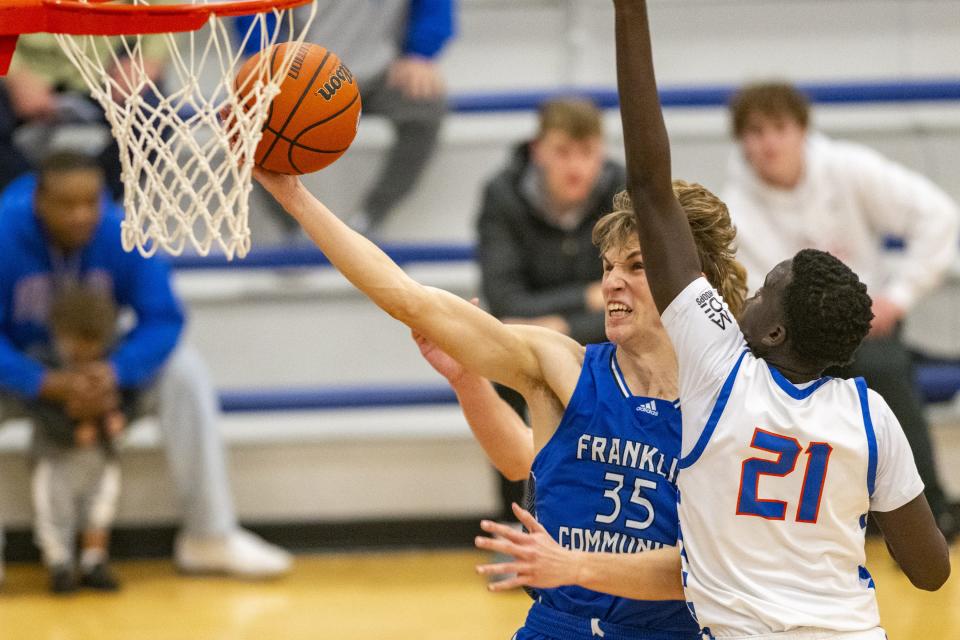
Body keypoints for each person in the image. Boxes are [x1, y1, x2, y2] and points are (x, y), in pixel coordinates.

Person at [475, 2, 951, 638]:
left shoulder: (721, 372)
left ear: (774, 332)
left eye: (762, 294)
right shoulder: (870, 418)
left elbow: (649, 184)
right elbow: (930, 573)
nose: (743, 299)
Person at [253, 155, 747, 638]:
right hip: (559, 628)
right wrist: (294, 196)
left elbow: (705, 568)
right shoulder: (563, 366)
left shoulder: (730, 398)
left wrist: (576, 566)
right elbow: (408, 298)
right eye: (607, 265)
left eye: (636, 266)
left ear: (688, 282)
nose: (611, 280)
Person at [0, 151, 292, 585]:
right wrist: (42, 381)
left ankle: (208, 535)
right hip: (24, 376)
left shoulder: (118, 229)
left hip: (103, 377)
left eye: (91, 202)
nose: (82, 214)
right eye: (67, 203)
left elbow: (164, 317)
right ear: (38, 200)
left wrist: (116, 372)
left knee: (185, 372)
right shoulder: (5, 233)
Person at [723, 80, 960, 541]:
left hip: (862, 330)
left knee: (887, 369)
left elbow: (939, 216)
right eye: (755, 131)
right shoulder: (735, 207)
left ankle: (926, 513)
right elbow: (745, 298)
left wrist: (901, 295)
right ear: (741, 141)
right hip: (783, 347)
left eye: (779, 127)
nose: (769, 143)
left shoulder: (848, 168)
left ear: (801, 129)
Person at [477, 97, 625, 522]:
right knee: (500, 360)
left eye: (587, 152)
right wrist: (584, 298)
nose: (576, 166)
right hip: (533, 335)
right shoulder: (502, 194)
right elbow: (505, 302)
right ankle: (515, 521)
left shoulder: (623, 191)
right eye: (563, 152)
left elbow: (637, 297)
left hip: (605, 333)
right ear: (538, 149)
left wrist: (557, 323)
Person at [282, 0, 454, 237]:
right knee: (254, 119)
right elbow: (255, 12)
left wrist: (419, 53)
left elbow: (435, 8)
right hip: (305, 72)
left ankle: (369, 218)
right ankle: (297, 224)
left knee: (425, 108)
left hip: (381, 71)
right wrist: (264, 54)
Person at [29, 285, 130, 594]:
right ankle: (59, 563)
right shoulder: (46, 364)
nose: (85, 355)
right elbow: (40, 410)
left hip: (98, 455)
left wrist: (113, 418)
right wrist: (70, 430)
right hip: (56, 455)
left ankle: (93, 560)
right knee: (53, 511)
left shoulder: (110, 365)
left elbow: (126, 396)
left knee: (99, 507)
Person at [0, 31, 169, 198]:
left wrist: (148, 60)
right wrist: (13, 72)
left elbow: (164, 8)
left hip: (102, 67)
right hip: (23, 63)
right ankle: (27, 201)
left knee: (152, 114)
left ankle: (97, 201)